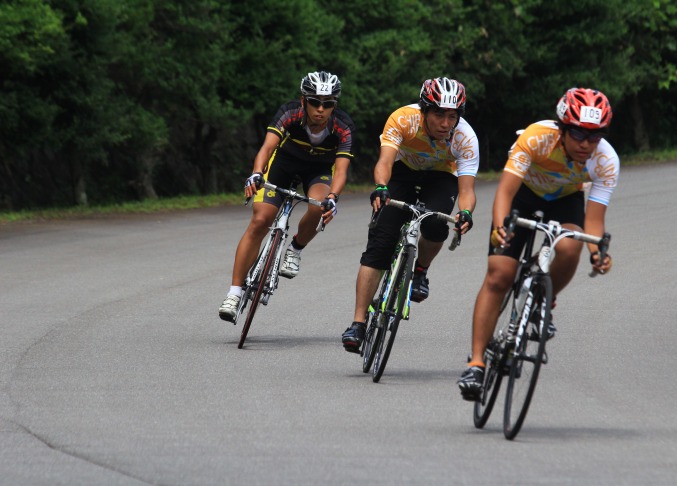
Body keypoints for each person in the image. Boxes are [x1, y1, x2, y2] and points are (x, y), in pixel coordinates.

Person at [457, 87, 618, 400]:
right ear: (561, 129)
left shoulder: (606, 160)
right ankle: (476, 363)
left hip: (566, 200)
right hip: (523, 195)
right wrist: (501, 227)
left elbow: (594, 221)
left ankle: (544, 298)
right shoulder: (535, 137)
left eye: (595, 136)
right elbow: (504, 192)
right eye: (578, 134)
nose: (586, 144)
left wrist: (598, 253)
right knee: (499, 275)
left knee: (571, 246)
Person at [341, 77, 478, 353]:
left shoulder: (465, 138)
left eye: (452, 116)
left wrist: (465, 212)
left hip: (441, 176)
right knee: (380, 246)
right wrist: (380, 188)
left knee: (438, 224)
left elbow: (467, 190)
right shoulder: (404, 119)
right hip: (402, 171)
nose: (445, 122)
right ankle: (357, 323)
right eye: (438, 113)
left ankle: (421, 271)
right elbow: (384, 161)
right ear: (424, 110)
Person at [218, 71, 355, 322]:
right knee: (261, 220)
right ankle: (234, 293)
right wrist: (256, 173)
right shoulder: (290, 113)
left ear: (335, 105)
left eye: (328, 104)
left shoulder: (342, 126)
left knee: (317, 208)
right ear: (304, 101)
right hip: (283, 164)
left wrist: (333, 196)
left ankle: (295, 248)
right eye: (315, 102)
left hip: (318, 171)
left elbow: (342, 170)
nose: (320, 109)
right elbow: (267, 147)